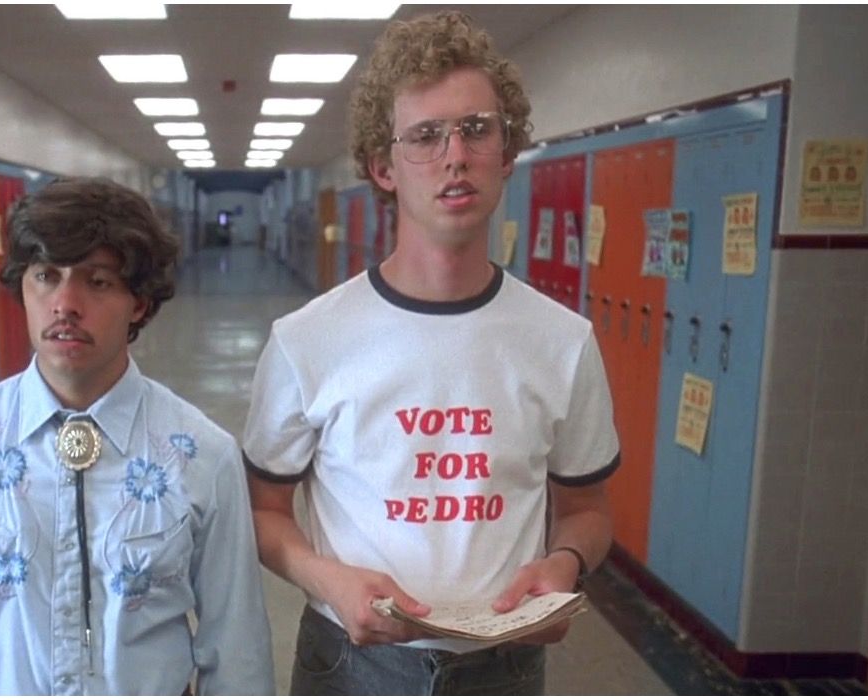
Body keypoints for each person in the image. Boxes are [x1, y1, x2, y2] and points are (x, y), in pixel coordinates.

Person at [242, 10, 620, 696]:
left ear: (506, 153)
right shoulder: (308, 339)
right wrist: (327, 578)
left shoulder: (563, 342)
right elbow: (264, 509)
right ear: (383, 168)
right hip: (349, 667)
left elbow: (588, 508)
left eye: (477, 129)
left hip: (503, 669)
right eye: (425, 136)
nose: (455, 155)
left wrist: (564, 562)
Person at [0, 177, 275, 695]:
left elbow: (237, 652)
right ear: (22, 287)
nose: (65, 303)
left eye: (98, 281)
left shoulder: (202, 457)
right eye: (45, 276)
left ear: (140, 303)